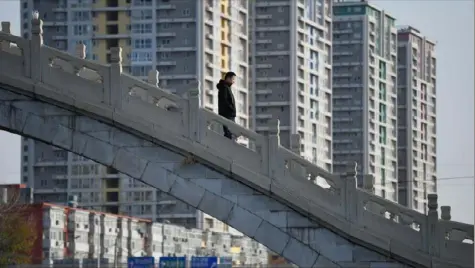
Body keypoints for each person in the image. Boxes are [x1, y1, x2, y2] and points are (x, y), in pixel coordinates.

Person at [217, 72, 237, 139]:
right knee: (229, 133)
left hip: (229, 114)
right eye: (233, 79)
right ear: (228, 78)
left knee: (231, 133)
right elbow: (224, 101)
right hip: (228, 114)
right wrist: (231, 109)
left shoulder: (226, 87)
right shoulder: (224, 87)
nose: (233, 81)